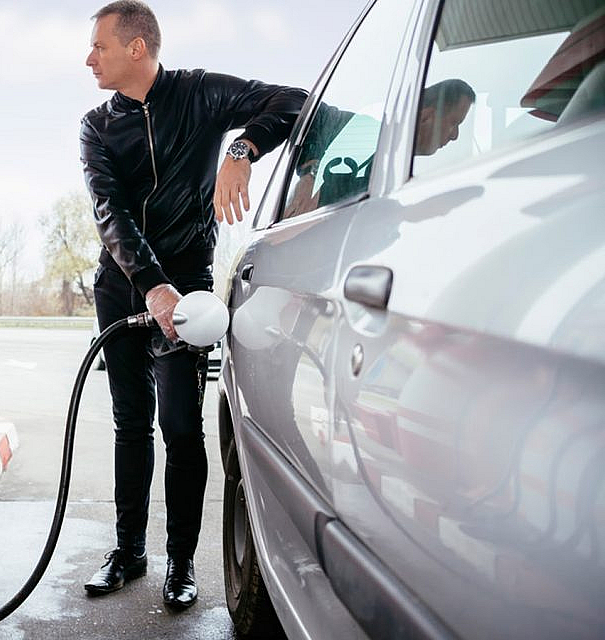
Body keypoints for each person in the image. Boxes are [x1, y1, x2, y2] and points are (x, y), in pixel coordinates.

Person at [79, 0, 306, 609]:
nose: (88, 58)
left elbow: (292, 100)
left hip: (191, 290)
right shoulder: (96, 125)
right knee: (131, 423)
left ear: (137, 47)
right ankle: (129, 551)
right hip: (124, 284)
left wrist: (242, 151)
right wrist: (150, 286)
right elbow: (111, 212)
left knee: (181, 427)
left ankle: (182, 564)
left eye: (99, 46)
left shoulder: (201, 94)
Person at [287, 78, 475, 217]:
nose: (455, 135)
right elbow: (311, 109)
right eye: (454, 123)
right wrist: (312, 175)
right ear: (426, 116)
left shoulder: (396, 172)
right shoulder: (367, 134)